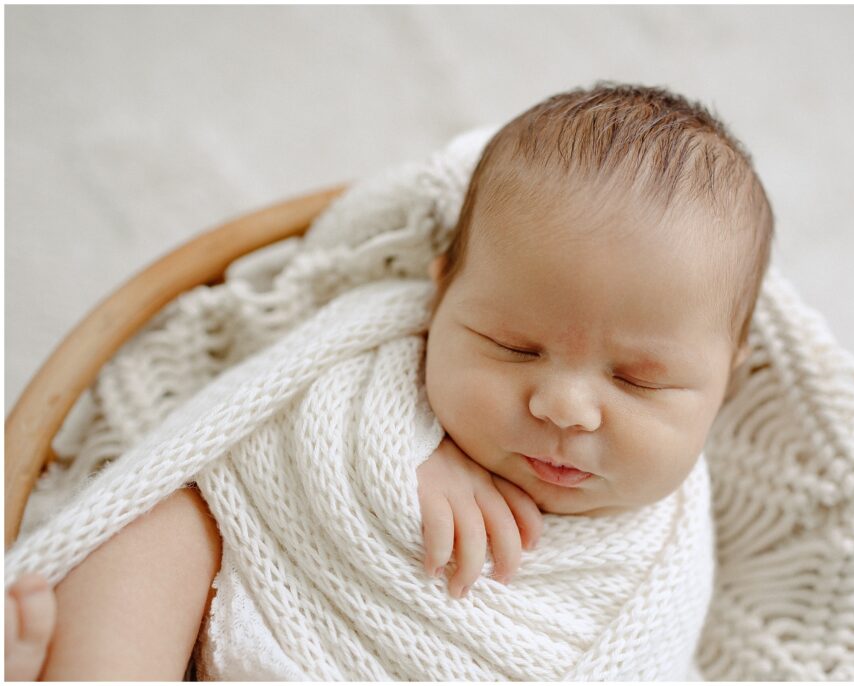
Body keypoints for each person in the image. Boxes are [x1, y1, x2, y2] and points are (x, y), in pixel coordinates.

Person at [5, 82, 773, 680]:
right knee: (165, 525)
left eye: (638, 381)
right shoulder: (379, 349)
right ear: (441, 296)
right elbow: (254, 424)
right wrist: (394, 449)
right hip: (246, 605)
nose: (565, 406)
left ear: (723, 381)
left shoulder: (666, 553)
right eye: (513, 346)